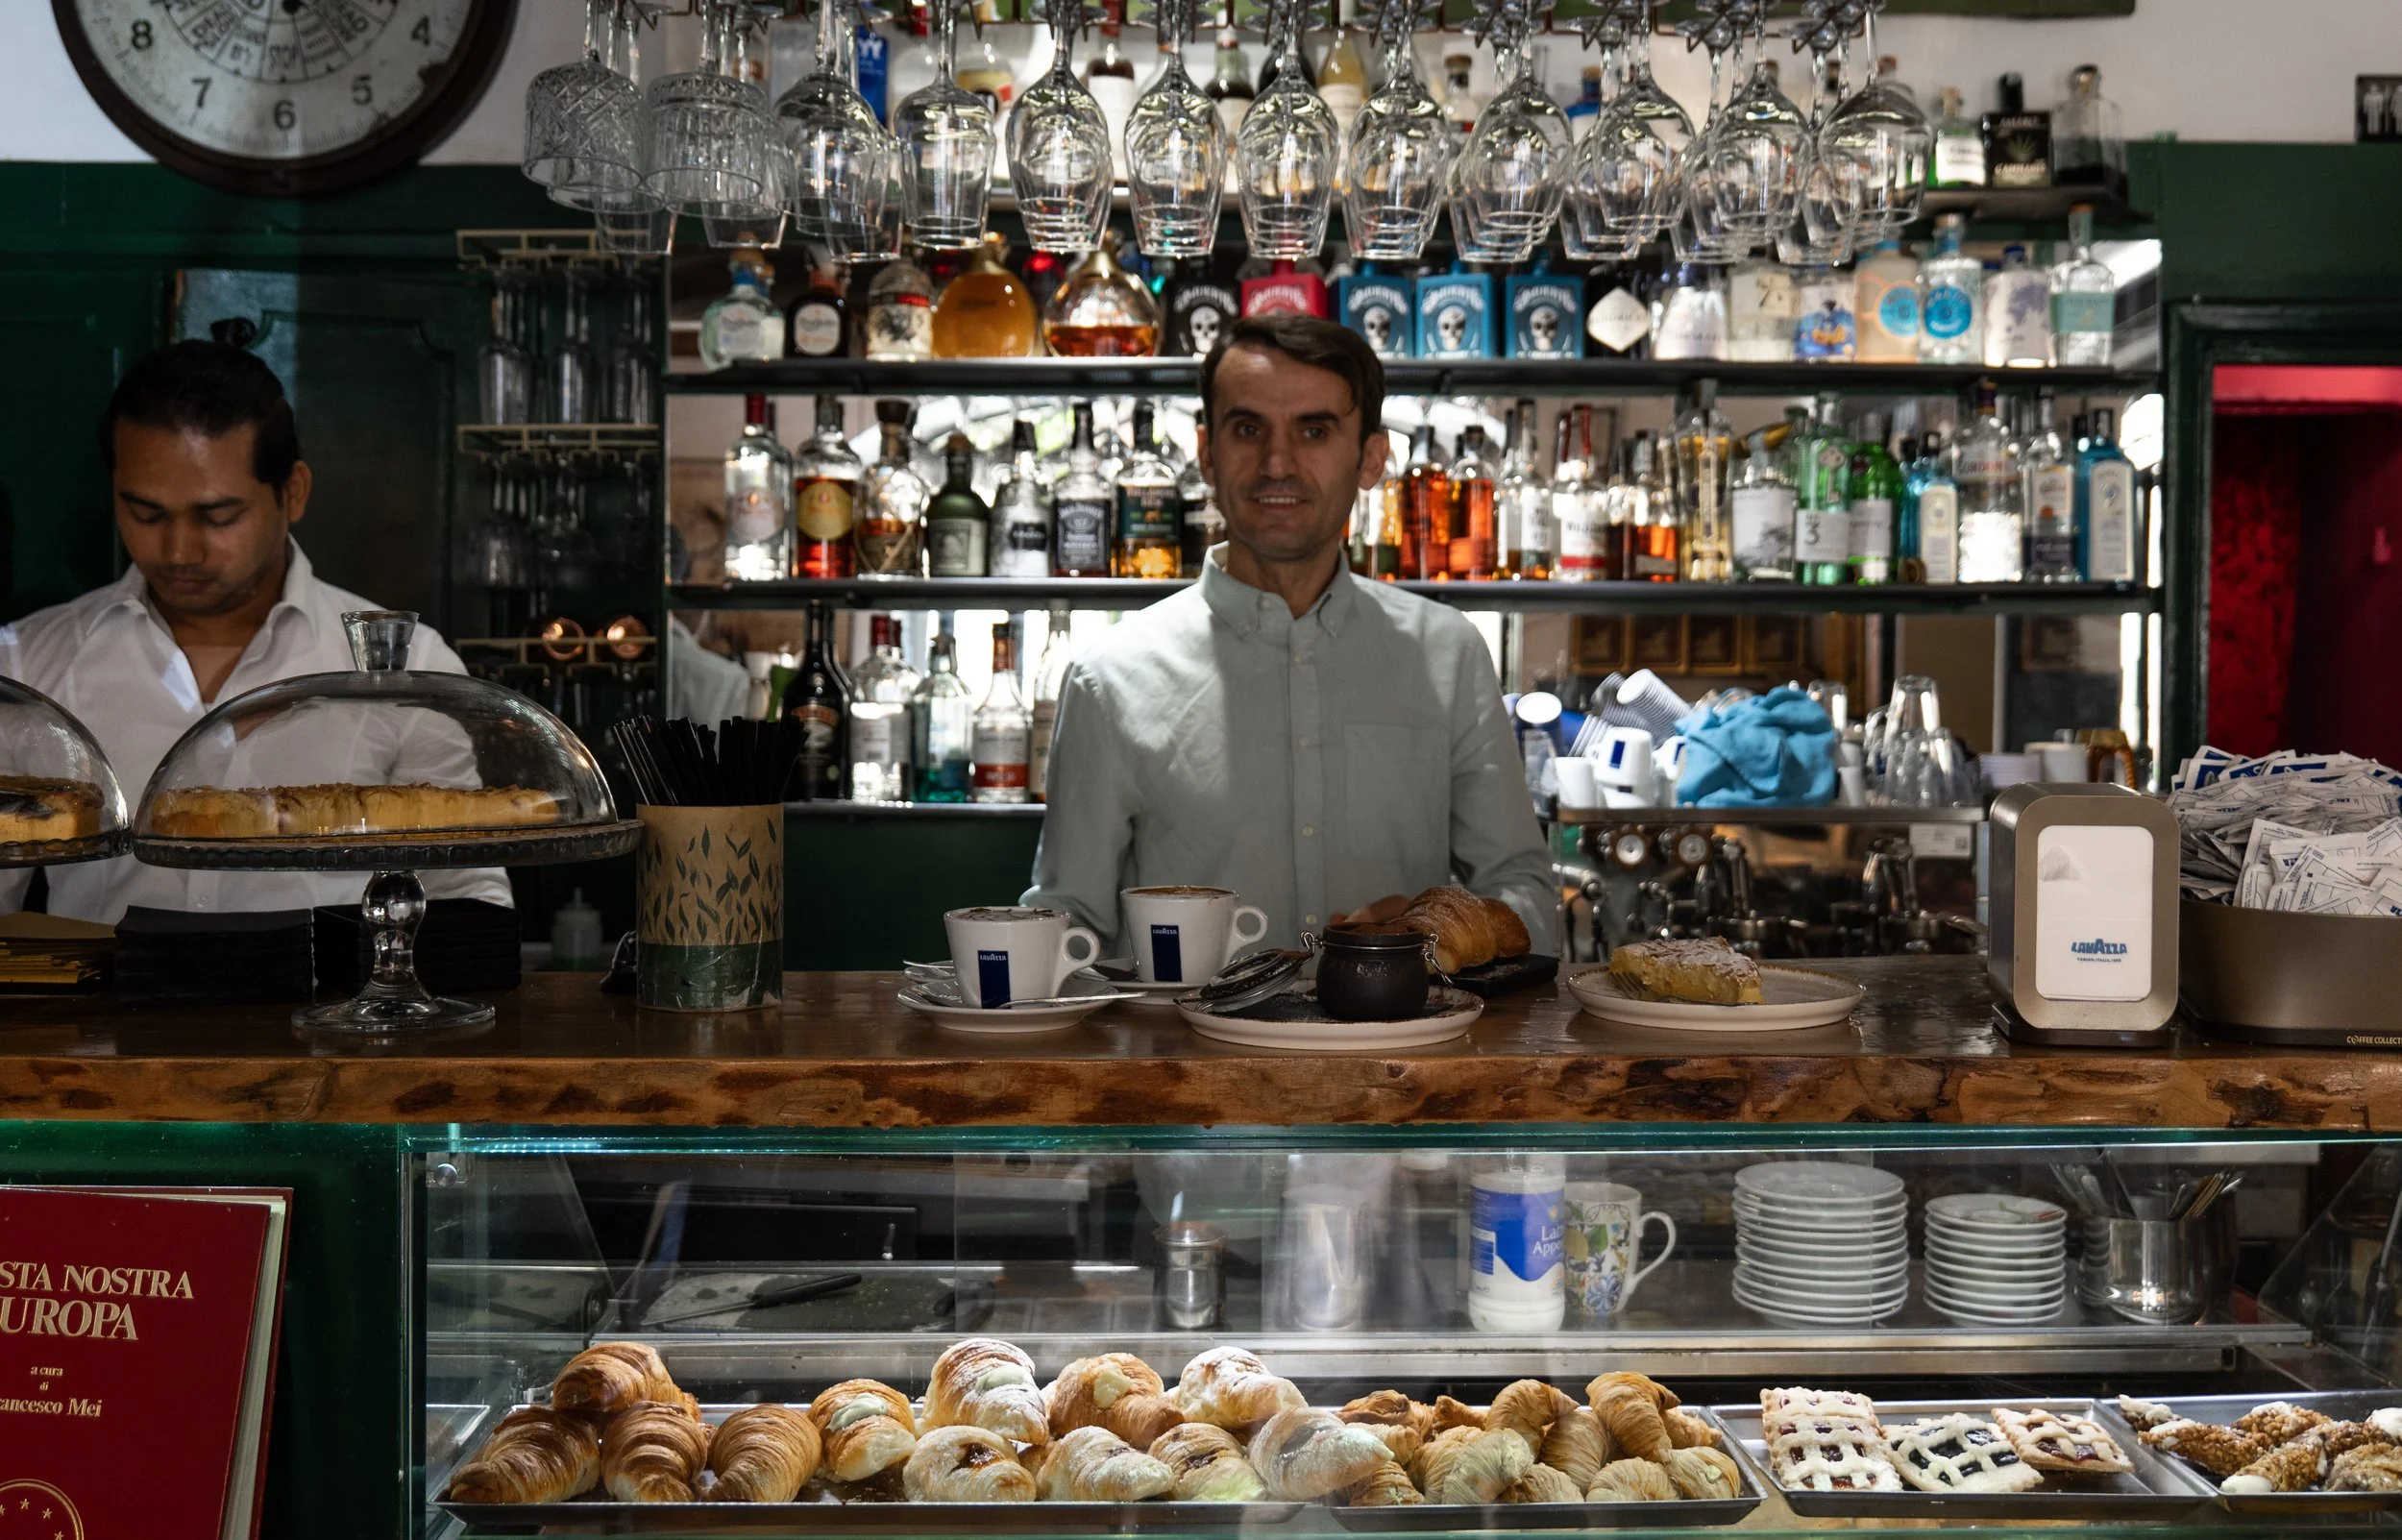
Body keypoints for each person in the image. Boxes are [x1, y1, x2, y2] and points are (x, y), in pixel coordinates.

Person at [1025, 313, 1554, 955]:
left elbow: (1522, 890)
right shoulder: (1109, 677)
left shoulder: (1450, 655)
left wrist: (1434, 926)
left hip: (1401, 1054)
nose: (1278, 463)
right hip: (1184, 1056)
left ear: (1372, 457)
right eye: (1248, 429)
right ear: (1206, 453)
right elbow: (1067, 922)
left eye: (1315, 430)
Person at [0, 339, 508, 923]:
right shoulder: (25, 666)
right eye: (145, 514)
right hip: (101, 1015)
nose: (178, 550)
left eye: (218, 517)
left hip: (330, 1012)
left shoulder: (411, 667)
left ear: (292, 492)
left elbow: (466, 892)